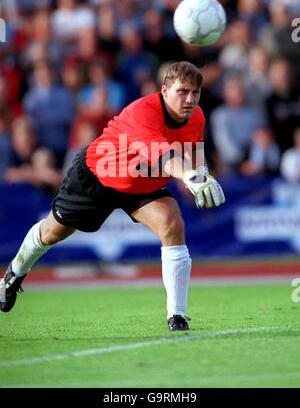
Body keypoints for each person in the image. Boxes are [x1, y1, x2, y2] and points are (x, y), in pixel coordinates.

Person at [0, 61, 225, 331]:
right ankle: (15, 272)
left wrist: (202, 176)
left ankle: (176, 316)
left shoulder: (196, 115)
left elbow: (192, 151)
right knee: (52, 232)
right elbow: (165, 156)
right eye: (183, 91)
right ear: (165, 90)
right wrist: (192, 177)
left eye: (195, 93)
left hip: (142, 180)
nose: (190, 99)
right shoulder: (142, 112)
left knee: (172, 223)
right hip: (98, 175)